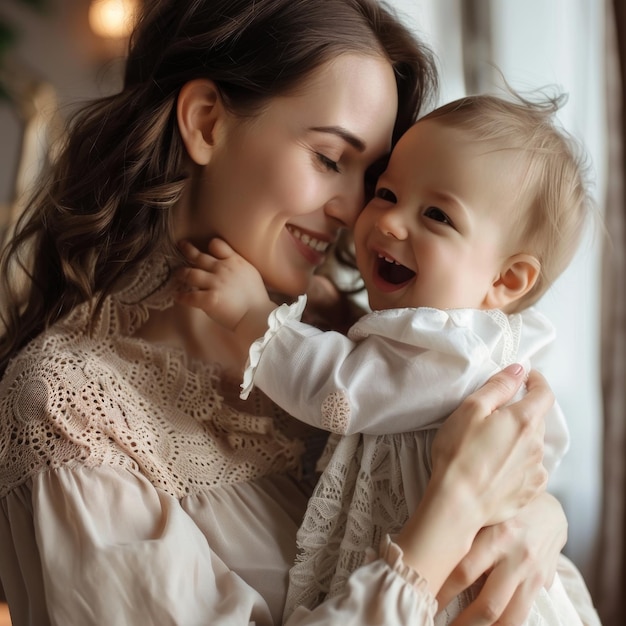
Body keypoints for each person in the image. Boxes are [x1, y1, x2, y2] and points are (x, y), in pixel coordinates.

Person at [0, 0, 598, 623]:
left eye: (372, 177)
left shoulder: (349, 336)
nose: (356, 211)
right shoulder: (70, 408)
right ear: (207, 123)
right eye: (329, 159)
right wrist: (446, 522)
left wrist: (535, 519)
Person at [176, 92, 600, 625]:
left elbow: (342, 389)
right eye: (387, 192)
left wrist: (254, 317)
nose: (390, 223)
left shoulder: (450, 347)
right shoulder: (479, 345)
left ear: (506, 279)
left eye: (437, 215)